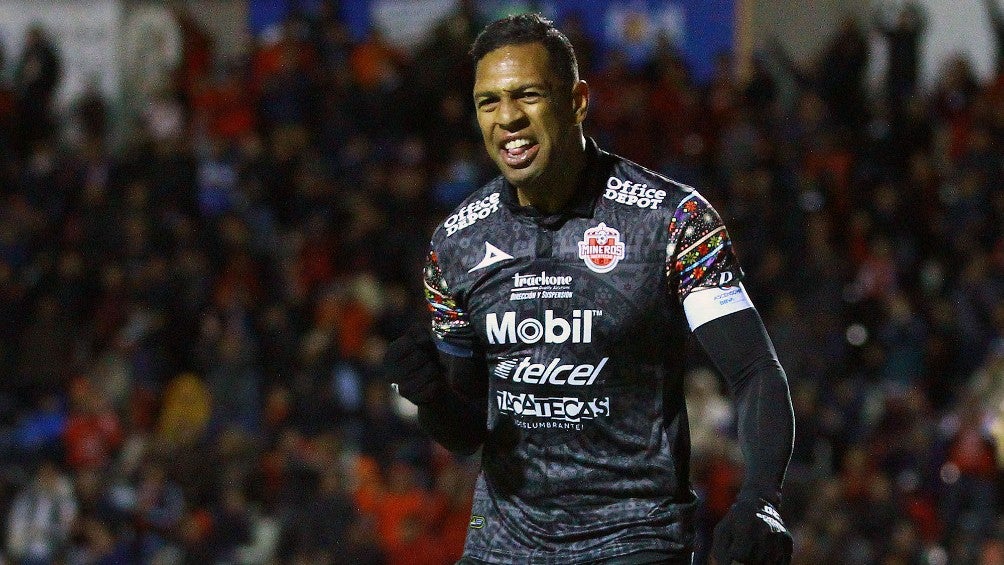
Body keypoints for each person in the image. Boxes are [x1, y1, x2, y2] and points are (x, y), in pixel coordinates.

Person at [384, 13, 794, 564]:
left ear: (577, 100)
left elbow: (754, 372)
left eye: (527, 95)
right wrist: (432, 398)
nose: (507, 118)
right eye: (489, 102)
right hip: (502, 546)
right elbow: (468, 432)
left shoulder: (672, 222)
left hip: (633, 540)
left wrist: (761, 498)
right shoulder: (455, 245)